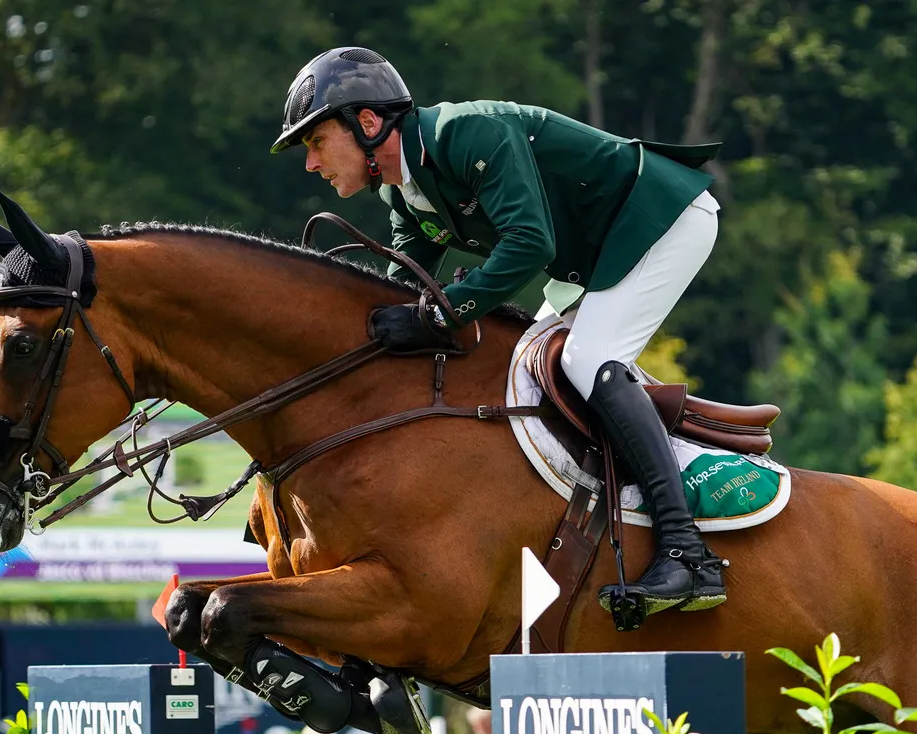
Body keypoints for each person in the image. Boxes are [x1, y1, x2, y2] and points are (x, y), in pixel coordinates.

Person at [271, 46, 728, 618]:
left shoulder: (468, 134)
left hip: (659, 218)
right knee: (519, 377)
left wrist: (439, 315)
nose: (311, 165)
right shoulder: (400, 188)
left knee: (584, 362)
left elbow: (529, 244)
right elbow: (398, 291)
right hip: (591, 257)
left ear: (367, 123)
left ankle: (689, 554)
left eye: (315, 142)